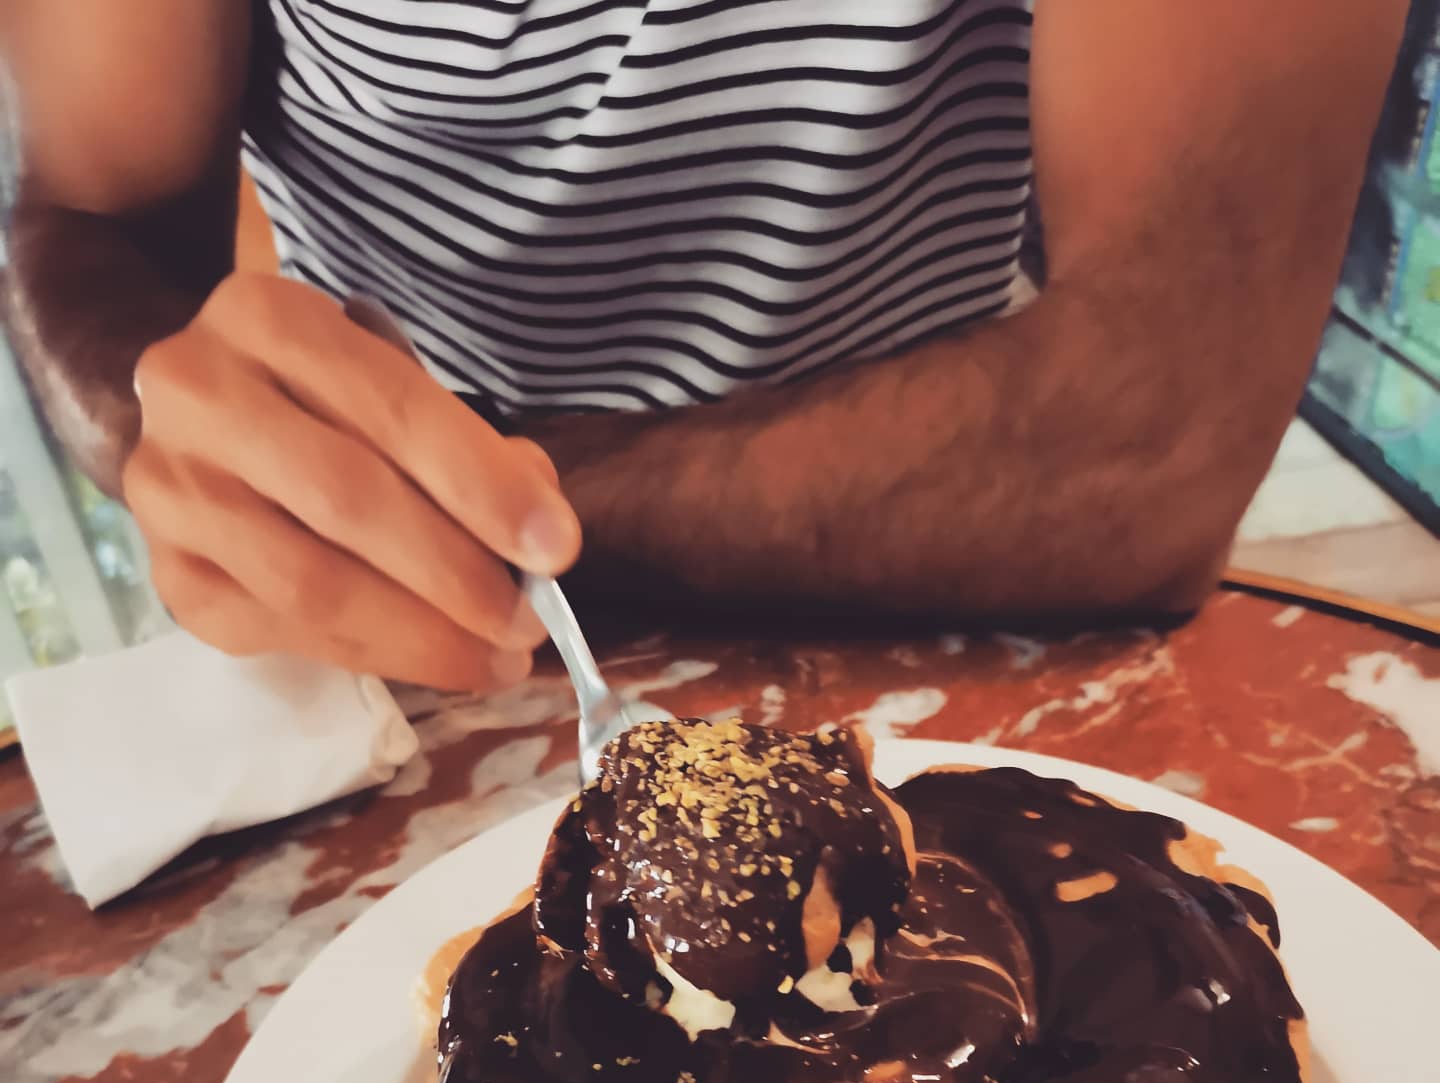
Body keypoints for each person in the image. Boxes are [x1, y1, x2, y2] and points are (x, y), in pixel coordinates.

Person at [0, 1, 1407, 692]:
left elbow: (1157, 432)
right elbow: (87, 218)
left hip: (973, 617)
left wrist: (493, 515)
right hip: (389, 639)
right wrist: (187, 437)